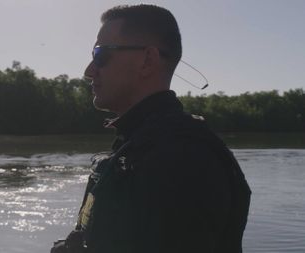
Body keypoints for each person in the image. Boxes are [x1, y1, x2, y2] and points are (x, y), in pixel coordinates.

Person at [51, 4, 251, 253]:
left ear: (147, 60)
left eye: (101, 55)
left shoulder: (180, 158)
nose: (89, 71)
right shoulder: (141, 145)